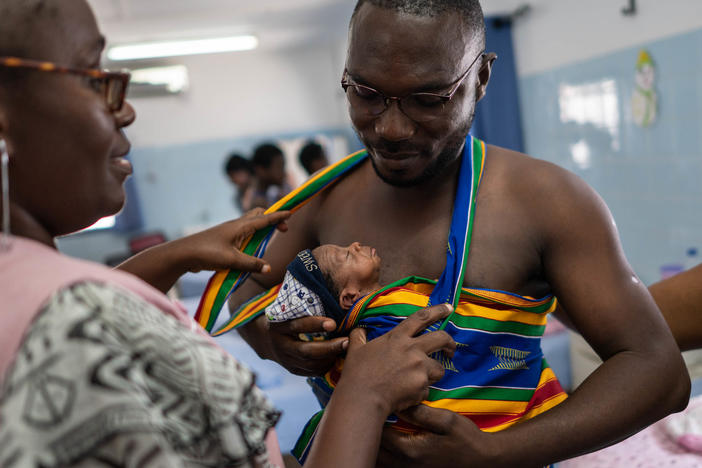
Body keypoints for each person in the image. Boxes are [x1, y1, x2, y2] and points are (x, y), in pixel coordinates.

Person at [223, 0, 690, 466]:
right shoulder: (321, 199)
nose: (390, 128)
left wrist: (496, 451)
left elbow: (658, 371)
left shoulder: (548, 202)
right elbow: (246, 288)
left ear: (481, 79)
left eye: (428, 100)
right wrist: (270, 337)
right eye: (365, 93)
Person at [0, 1, 456, 467]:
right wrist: (364, 395)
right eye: (90, 74)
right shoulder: (74, 323)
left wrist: (174, 255)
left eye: (428, 97)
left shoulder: (36, 297)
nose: (127, 109)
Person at [264, 243, 568, 463]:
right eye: (346, 254)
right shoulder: (386, 318)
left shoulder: (370, 321)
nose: (355, 245)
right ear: (349, 297)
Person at [247, 142, 292, 210]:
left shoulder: (280, 190)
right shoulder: (258, 205)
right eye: (279, 167)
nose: (284, 173)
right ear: (261, 170)